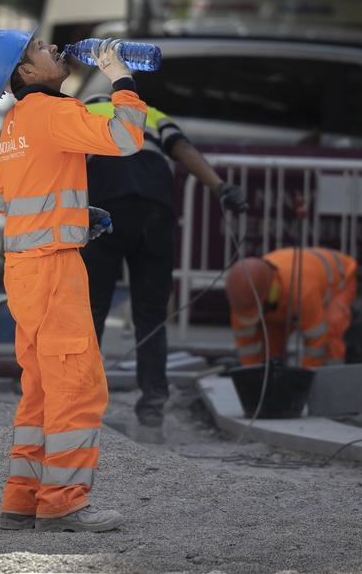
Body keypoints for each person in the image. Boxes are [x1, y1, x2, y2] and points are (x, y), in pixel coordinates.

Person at [0, 30, 146, 533]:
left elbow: (8, 200)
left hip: (24, 270)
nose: (53, 49)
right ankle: (64, 502)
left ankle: (22, 498)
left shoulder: (14, 124)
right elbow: (126, 136)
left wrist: (72, 211)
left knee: (42, 392)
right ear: (26, 74)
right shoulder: (56, 111)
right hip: (53, 269)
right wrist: (121, 79)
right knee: (76, 386)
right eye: (38, 50)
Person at [78, 95, 247, 443]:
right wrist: (220, 187)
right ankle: (152, 412)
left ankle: (82, 411)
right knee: (151, 316)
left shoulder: (81, 111)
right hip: (155, 208)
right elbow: (182, 148)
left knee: (90, 312)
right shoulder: (150, 113)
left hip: (103, 205)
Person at [225, 248, 362, 369]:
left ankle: (335, 381)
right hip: (291, 291)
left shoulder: (301, 291)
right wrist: (253, 379)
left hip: (342, 280)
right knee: (270, 335)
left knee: (332, 329)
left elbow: (316, 343)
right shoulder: (243, 297)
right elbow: (247, 348)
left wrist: (304, 383)